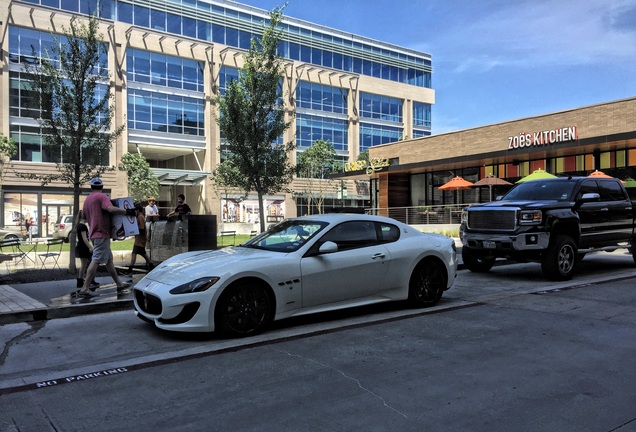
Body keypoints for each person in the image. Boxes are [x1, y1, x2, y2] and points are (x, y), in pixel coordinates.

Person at [77, 177, 136, 298]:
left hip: (94, 232)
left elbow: (86, 217)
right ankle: (85, 288)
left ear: (92, 187)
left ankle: (119, 284)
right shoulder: (102, 197)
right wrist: (127, 212)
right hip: (101, 233)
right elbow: (110, 209)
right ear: (102, 187)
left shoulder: (87, 200)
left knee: (109, 260)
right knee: (96, 259)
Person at [74, 210, 99, 291]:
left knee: (85, 264)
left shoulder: (79, 225)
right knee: (89, 263)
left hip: (81, 246)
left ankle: (81, 280)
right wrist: (90, 247)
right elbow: (85, 239)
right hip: (84, 247)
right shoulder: (82, 226)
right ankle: (87, 279)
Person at [125, 203, 154, 274]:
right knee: (143, 253)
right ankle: (152, 266)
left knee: (134, 253)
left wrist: (134, 229)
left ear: (138, 210)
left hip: (140, 240)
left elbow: (141, 228)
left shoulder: (140, 217)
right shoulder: (140, 217)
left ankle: (130, 270)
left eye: (135, 210)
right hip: (140, 239)